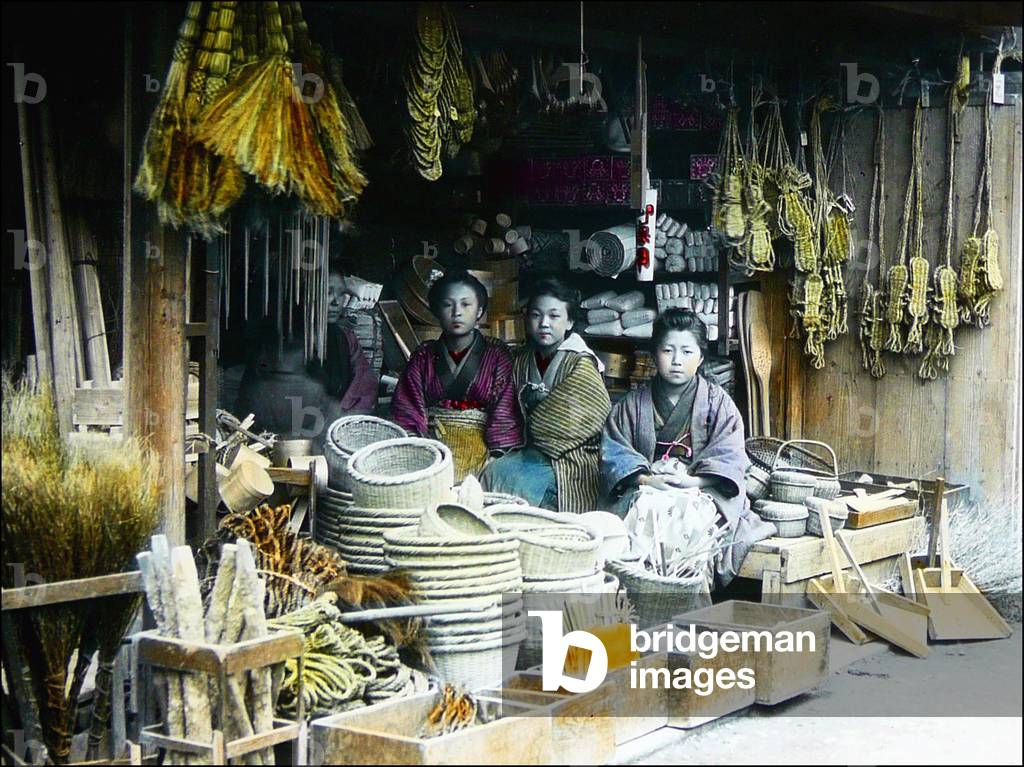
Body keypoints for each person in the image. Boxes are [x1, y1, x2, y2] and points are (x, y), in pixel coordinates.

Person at [602, 307, 774, 588]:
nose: (677, 361)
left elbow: (730, 457)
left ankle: (685, 596)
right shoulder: (631, 405)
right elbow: (615, 452)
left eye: (687, 352)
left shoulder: (718, 403)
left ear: (701, 357)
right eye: (668, 351)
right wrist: (648, 479)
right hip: (646, 487)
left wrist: (692, 481)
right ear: (654, 354)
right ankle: (640, 598)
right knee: (645, 513)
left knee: (690, 520)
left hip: (704, 490)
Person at [481, 277, 610, 512]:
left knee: (523, 484)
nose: (544, 323)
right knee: (492, 471)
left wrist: (535, 430)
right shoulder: (520, 359)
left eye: (554, 316)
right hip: (528, 450)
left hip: (570, 455)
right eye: (536, 315)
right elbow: (508, 409)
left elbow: (580, 419)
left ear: (569, 321)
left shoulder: (580, 361)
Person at [390, 269, 523, 481]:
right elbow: (408, 408)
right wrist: (418, 451)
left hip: (484, 454)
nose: (456, 312)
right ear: (436, 310)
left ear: (479, 310)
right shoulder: (424, 355)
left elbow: (504, 411)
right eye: (447, 304)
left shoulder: (497, 355)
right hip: (432, 451)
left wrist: (496, 458)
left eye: (465, 304)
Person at [235, 266, 377, 439]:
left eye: (341, 294)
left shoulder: (344, 338)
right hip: (281, 436)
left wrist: (344, 423)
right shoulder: (282, 336)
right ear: (306, 294)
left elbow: (364, 384)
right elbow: (271, 395)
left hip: (334, 433)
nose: (336, 302)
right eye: (328, 292)